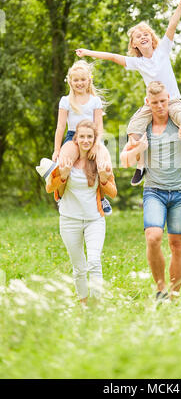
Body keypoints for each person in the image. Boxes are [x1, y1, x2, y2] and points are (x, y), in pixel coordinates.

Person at [75, 0, 181, 187]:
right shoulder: (137, 62)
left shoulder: (163, 50)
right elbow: (113, 57)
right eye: (138, 36)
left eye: (145, 33)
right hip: (152, 103)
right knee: (133, 128)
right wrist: (87, 52)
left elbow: (172, 25)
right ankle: (141, 166)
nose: (143, 37)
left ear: (152, 38)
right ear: (134, 44)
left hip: (172, 100)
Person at [120, 82, 181, 301]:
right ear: (147, 103)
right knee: (153, 237)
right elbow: (124, 160)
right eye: (154, 103)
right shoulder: (143, 128)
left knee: (177, 243)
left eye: (163, 101)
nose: (159, 106)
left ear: (168, 99)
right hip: (154, 191)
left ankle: (175, 295)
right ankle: (160, 288)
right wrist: (139, 150)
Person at [39, 120, 117, 306]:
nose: (85, 140)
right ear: (76, 139)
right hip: (69, 220)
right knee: (79, 267)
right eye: (82, 136)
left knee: (94, 261)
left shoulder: (99, 161)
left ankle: (96, 305)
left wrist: (104, 179)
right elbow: (51, 188)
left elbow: (113, 192)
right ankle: (84, 304)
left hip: (94, 220)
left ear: (94, 139)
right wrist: (63, 175)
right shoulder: (67, 161)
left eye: (89, 136)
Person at [53, 59, 113, 215]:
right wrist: (56, 149)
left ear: (89, 80)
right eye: (76, 80)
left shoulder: (95, 101)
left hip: (92, 137)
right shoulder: (66, 101)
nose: (79, 83)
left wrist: (96, 145)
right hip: (73, 136)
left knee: (103, 161)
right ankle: (61, 196)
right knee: (64, 162)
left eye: (83, 79)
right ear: (71, 82)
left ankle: (102, 197)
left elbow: (99, 126)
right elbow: (60, 127)